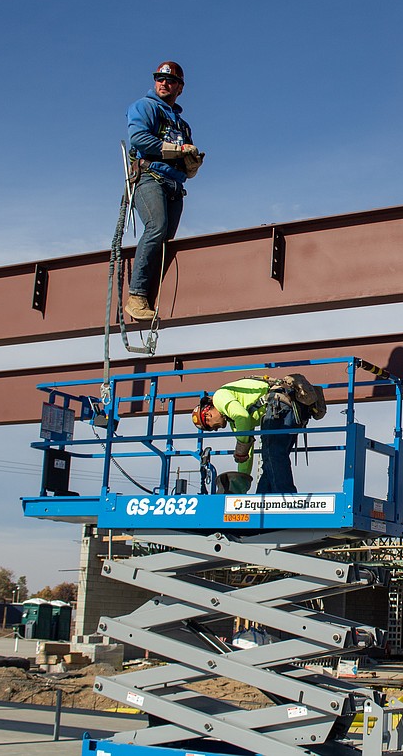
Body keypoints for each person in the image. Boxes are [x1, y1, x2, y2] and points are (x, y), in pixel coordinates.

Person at [124, 61, 203, 321]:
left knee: (165, 242)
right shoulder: (145, 107)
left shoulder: (182, 124)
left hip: (174, 186)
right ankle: (136, 295)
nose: (164, 83)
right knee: (156, 228)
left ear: (180, 87)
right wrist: (177, 151)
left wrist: (191, 165)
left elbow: (185, 163)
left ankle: (150, 297)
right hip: (150, 178)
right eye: (160, 79)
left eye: (170, 81)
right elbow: (139, 139)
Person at [192, 377, 324, 494]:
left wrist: (242, 446)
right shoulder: (234, 418)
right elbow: (246, 450)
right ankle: (262, 499)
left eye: (210, 427)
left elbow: (243, 418)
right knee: (270, 460)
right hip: (285, 409)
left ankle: (286, 498)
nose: (215, 429)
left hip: (278, 406)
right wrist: (241, 482)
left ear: (208, 415)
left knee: (272, 455)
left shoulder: (220, 397)